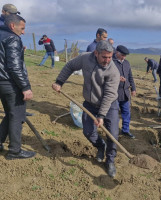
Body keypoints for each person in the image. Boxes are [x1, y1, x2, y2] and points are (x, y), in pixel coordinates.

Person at [52, 40, 120, 178]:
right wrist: (59, 82)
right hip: (90, 104)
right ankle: (101, 146)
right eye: (104, 57)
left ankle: (110, 160)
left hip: (109, 105)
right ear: (96, 53)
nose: (107, 60)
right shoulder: (85, 58)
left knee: (112, 135)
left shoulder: (113, 71)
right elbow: (70, 66)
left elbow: (109, 95)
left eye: (110, 57)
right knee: (88, 131)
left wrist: (101, 115)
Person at [0, 15, 36, 159]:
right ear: (12, 26)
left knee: (10, 114)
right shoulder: (12, 38)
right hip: (9, 82)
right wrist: (25, 87)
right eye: (22, 28)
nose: (23, 32)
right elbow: (14, 67)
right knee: (18, 115)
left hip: (1, 82)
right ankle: (15, 151)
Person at [113, 45, 136, 139]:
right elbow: (105, 77)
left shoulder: (127, 63)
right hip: (115, 93)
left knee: (126, 113)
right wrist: (117, 78)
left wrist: (133, 88)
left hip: (125, 93)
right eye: (122, 55)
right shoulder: (111, 63)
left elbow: (130, 76)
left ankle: (125, 130)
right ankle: (114, 132)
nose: (124, 57)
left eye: (125, 55)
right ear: (117, 53)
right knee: (114, 114)